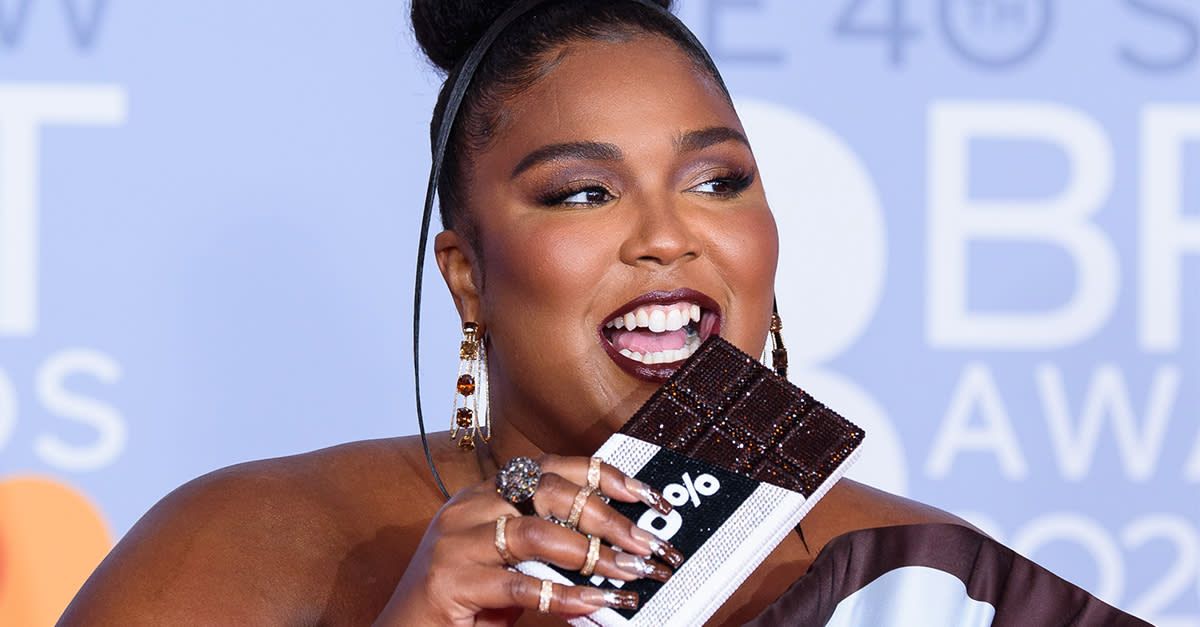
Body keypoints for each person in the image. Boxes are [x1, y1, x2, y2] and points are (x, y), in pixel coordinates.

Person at [59, 1, 1148, 625]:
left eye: (718, 181)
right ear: (468, 273)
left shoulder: (914, 575)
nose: (667, 235)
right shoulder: (256, 541)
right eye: (582, 192)